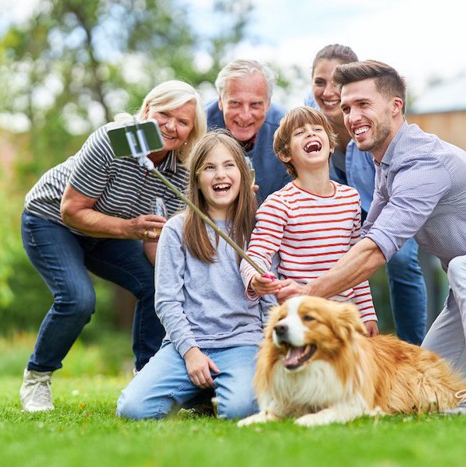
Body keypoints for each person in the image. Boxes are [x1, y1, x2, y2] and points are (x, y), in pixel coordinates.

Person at [277, 60, 466, 415]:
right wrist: (304, 277)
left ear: (396, 107)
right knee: (422, 382)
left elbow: (376, 252)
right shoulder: (387, 166)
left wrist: (308, 294)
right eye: (347, 108)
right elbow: (362, 244)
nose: (352, 117)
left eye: (363, 105)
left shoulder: (424, 163)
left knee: (465, 266)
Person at [20, 80, 207, 412]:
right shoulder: (112, 141)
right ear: (147, 110)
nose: (170, 126)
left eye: (182, 122)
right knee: (78, 299)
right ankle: (38, 378)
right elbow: (72, 211)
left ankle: (146, 379)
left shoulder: (180, 167)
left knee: (156, 287)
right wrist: (131, 228)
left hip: (109, 232)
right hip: (52, 220)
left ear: (191, 131)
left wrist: (172, 273)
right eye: (164, 114)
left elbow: (156, 243)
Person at [116, 131, 274, 420]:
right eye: (209, 168)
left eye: (229, 166)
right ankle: (199, 387)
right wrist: (190, 352)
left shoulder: (260, 226)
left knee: (241, 410)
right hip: (187, 344)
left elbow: (270, 300)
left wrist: (267, 349)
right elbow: (167, 301)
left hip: (243, 343)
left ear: (243, 174)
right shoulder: (177, 229)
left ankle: (213, 390)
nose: (220, 175)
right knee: (133, 410)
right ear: (197, 179)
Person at [306, 44, 427, 345]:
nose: (328, 91)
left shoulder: (373, 117)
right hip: (339, 205)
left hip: (385, 203)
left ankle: (414, 349)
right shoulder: (308, 115)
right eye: (320, 82)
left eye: (337, 83)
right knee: (327, 255)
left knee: (400, 260)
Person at [240, 106, 377, 335]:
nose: (311, 134)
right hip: (303, 319)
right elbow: (256, 255)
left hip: (345, 318)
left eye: (317, 129)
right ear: (285, 154)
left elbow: (356, 263)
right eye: (300, 133)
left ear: (331, 145)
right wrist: (255, 277)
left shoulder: (350, 198)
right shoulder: (279, 204)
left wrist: (367, 312)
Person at [206, 59, 291, 202]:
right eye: (235, 103)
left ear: (268, 104)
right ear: (220, 101)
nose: (245, 116)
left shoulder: (288, 131)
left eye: (255, 104)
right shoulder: (198, 126)